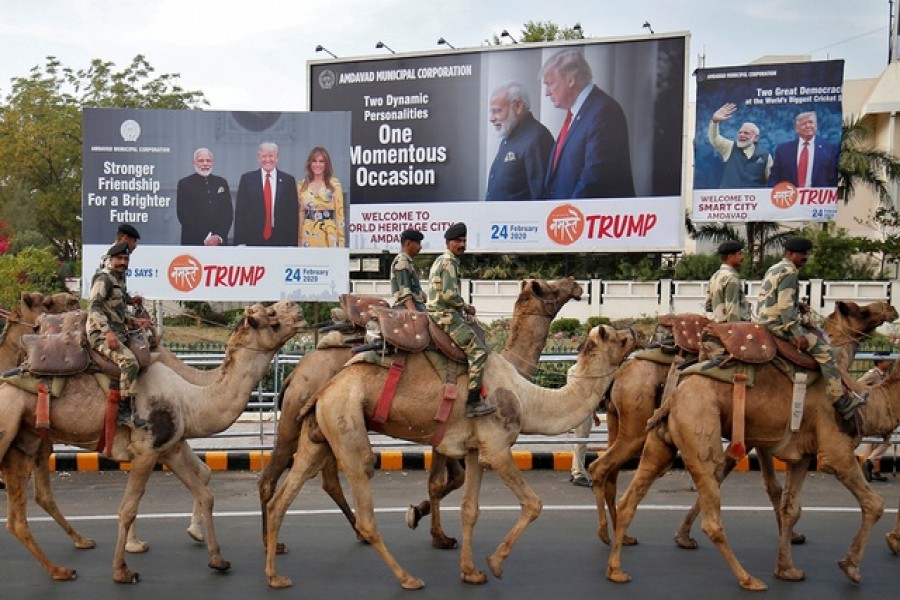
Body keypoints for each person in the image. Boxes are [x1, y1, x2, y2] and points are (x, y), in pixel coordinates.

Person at [756, 236, 863, 420]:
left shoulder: (775, 268)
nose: (805, 257)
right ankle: (840, 401)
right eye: (802, 254)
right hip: (778, 324)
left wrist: (798, 305)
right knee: (826, 352)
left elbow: (777, 298)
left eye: (806, 254)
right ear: (790, 254)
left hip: (764, 320)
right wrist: (797, 332)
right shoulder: (790, 272)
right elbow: (784, 306)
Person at [541, 48, 635, 200]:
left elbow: (595, 178)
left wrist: (567, 215)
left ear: (571, 80)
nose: (547, 92)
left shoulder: (604, 111)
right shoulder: (578, 113)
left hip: (587, 219)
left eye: (550, 84)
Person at [427, 222, 495, 418]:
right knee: (479, 352)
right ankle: (473, 402)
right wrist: (466, 307)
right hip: (445, 315)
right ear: (449, 242)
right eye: (458, 241)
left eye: (464, 241)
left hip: (440, 312)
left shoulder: (443, 260)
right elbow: (449, 295)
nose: (462, 244)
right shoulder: (448, 263)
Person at [86, 242, 147, 428]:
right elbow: (94, 307)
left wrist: (131, 302)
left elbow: (117, 302)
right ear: (111, 260)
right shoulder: (103, 279)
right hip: (101, 333)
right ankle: (124, 412)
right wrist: (108, 333)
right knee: (129, 362)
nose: (123, 262)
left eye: (126, 259)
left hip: (118, 329)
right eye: (119, 259)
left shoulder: (119, 278)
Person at [485, 82, 554, 201]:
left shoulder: (536, 138)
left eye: (497, 111)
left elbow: (540, 196)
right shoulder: (510, 135)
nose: (491, 118)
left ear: (518, 106)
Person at [234, 142, 299, 246]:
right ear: (258, 158)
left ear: (277, 158)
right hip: (253, 238)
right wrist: (239, 243)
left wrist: (292, 243)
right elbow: (240, 213)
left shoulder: (288, 181)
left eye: (271, 156)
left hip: (281, 239)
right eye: (264, 156)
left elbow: (293, 215)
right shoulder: (247, 179)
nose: (268, 159)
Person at [176, 147, 233, 246]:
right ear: (194, 163)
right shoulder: (184, 184)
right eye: (201, 161)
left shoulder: (221, 182)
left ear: (212, 163)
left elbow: (227, 213)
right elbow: (184, 215)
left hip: (218, 243)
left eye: (208, 160)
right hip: (193, 241)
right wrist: (207, 237)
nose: (205, 164)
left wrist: (217, 236)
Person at [768, 111, 839, 188]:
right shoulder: (783, 150)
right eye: (804, 124)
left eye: (811, 122)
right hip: (791, 197)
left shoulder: (830, 149)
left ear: (816, 126)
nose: (808, 126)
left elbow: (834, 178)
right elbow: (774, 177)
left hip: (818, 198)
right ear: (797, 129)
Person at [707, 103, 771, 188]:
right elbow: (714, 139)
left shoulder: (765, 155)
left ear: (756, 137)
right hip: (729, 199)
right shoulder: (729, 147)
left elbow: (771, 180)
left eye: (746, 133)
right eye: (740, 132)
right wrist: (715, 121)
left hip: (754, 199)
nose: (741, 135)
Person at [298, 146, 345, 247]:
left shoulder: (334, 184)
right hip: (308, 235)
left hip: (328, 235)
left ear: (326, 164)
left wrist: (341, 243)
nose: (317, 164)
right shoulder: (302, 185)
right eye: (314, 161)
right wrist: (298, 240)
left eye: (321, 161)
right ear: (310, 163)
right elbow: (300, 215)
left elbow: (339, 215)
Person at [857, 355, 894, 481]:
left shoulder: (883, 375)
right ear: (880, 362)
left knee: (874, 443)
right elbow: (859, 384)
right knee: (886, 441)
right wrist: (872, 395)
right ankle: (869, 463)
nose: (889, 362)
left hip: (881, 412)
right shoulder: (873, 374)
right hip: (875, 413)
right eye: (886, 360)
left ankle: (871, 470)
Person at [705, 240, 751, 322]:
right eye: (739, 254)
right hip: (730, 329)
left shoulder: (715, 276)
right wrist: (735, 331)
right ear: (730, 257)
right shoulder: (731, 278)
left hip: (718, 326)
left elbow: (708, 306)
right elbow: (732, 309)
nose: (742, 257)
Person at [390, 229, 426, 311]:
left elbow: (414, 289)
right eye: (418, 243)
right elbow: (405, 294)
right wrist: (415, 316)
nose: (420, 247)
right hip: (406, 309)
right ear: (408, 243)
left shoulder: (408, 261)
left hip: (415, 306)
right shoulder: (402, 262)